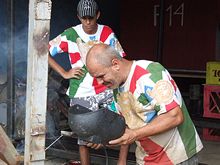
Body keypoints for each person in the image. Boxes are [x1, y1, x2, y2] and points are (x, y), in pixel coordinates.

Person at [85, 43, 204, 165]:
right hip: (146, 158)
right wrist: (105, 139)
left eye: (101, 76)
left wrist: (135, 134)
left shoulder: (149, 73)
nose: (99, 82)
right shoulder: (116, 85)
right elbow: (127, 126)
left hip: (176, 157)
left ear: (115, 64)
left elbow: (174, 116)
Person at [48, 0, 128, 164]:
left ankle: (122, 162)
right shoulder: (70, 34)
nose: (88, 22)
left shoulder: (106, 32)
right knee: (84, 136)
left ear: (97, 15)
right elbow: (42, 49)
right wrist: (64, 73)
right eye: (84, 18)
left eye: (91, 18)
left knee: (122, 124)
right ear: (78, 17)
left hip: (108, 89)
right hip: (81, 91)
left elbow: (120, 58)